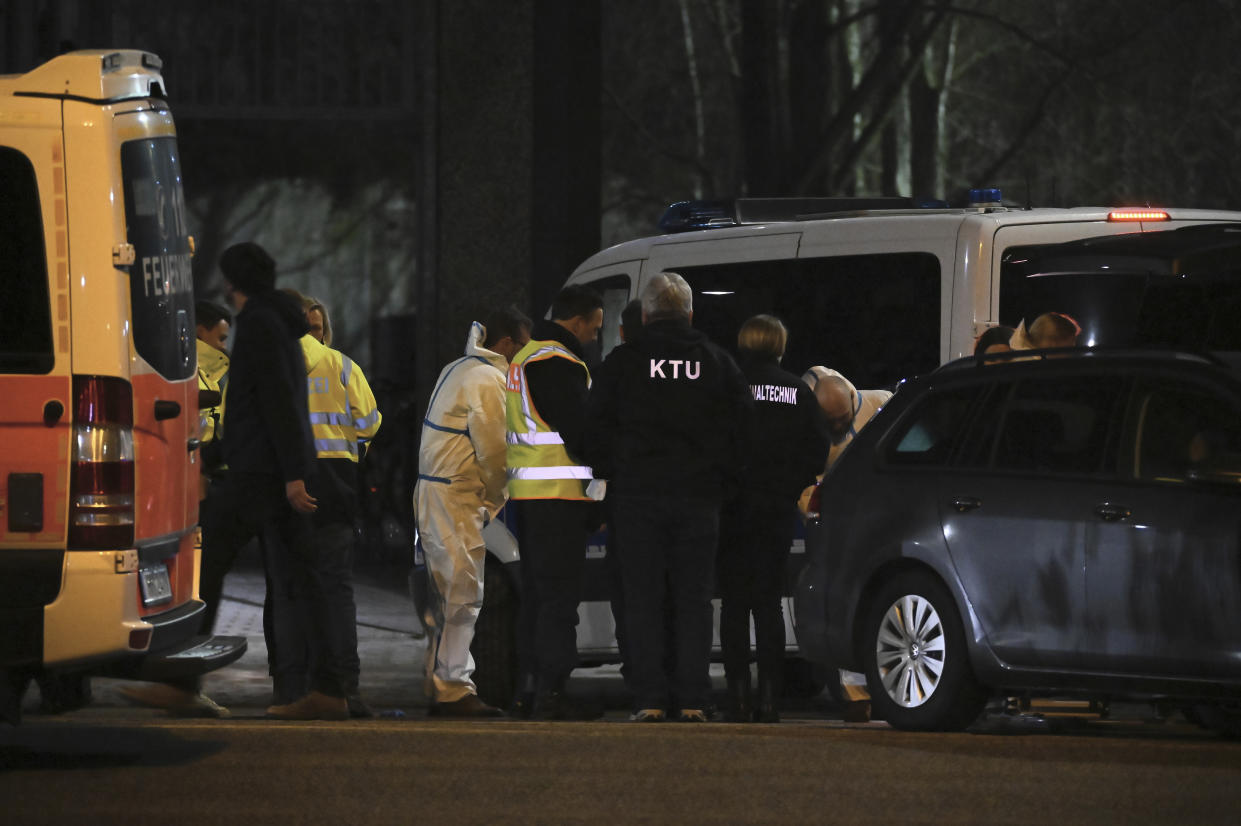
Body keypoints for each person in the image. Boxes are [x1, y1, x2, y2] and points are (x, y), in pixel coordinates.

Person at [586, 272, 752, 723]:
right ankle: (695, 697)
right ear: (690, 313)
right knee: (693, 599)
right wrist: (723, 485)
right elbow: (744, 432)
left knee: (643, 598)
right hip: (698, 501)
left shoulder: (623, 363)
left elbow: (591, 429)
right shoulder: (717, 363)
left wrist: (611, 471)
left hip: (637, 499)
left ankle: (651, 698)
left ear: (646, 313)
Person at [415, 306, 532, 718]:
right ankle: (454, 689)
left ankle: (444, 682)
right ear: (504, 344)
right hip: (457, 496)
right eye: (521, 346)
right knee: (462, 595)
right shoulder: (488, 380)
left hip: (436, 492)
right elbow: (496, 452)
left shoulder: (458, 368)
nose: (523, 355)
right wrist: (495, 499)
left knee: (446, 594)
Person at [718, 315, 827, 723]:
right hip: (776, 510)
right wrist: (788, 484)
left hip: (731, 510)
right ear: (780, 346)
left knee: (733, 605)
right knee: (767, 605)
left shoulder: (727, 385)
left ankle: (737, 698)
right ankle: (769, 700)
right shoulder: (797, 391)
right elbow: (816, 451)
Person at [282, 290, 384, 718]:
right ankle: (344, 688)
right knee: (337, 590)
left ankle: (300, 686)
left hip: (289, 483)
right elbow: (370, 423)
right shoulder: (343, 366)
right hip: (337, 484)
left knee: (295, 591)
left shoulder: (276, 364)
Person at [506, 285, 605, 720]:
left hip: (530, 494)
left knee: (537, 598)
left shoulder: (525, 356)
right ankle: (552, 691)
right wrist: (606, 468)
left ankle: (530, 689)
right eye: (595, 328)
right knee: (558, 599)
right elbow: (580, 432)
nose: (595, 338)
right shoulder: (556, 361)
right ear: (578, 321)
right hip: (558, 498)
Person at [800, 366, 894, 723]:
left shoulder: (880, 405)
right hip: (841, 528)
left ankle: (882, 690)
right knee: (848, 606)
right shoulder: (808, 429)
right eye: (831, 421)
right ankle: (857, 695)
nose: (839, 426)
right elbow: (806, 482)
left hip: (881, 521)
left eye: (843, 419)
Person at [1010, 312, 1080, 350]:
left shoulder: (1020, 358)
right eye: (1070, 345)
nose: (1073, 347)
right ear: (1053, 344)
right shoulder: (1037, 368)